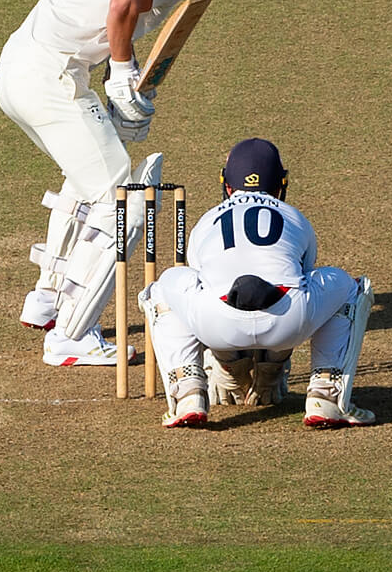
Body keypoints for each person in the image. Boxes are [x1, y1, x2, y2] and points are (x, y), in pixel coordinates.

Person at [0, 0, 204, 367]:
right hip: (52, 78)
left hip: (17, 67)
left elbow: (108, 14)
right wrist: (122, 75)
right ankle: (71, 335)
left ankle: (46, 299)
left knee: (92, 174)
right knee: (122, 201)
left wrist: (119, 92)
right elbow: (121, 6)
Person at [141, 138, 375, 429]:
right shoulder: (295, 217)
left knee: (163, 288)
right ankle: (326, 397)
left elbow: (202, 280)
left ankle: (188, 392)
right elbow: (301, 277)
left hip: (216, 324)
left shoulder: (207, 219)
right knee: (350, 288)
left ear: (227, 186)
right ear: (281, 184)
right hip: (288, 321)